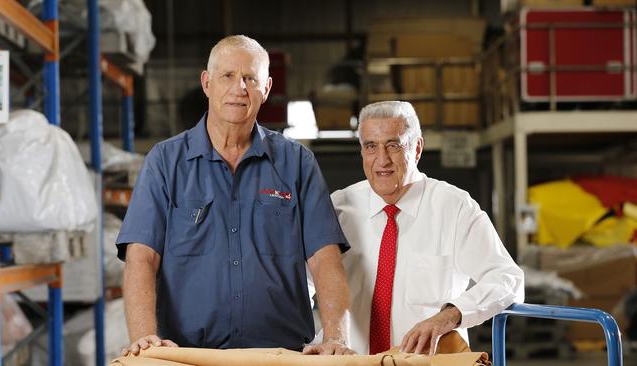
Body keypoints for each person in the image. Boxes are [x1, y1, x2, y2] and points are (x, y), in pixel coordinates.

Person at [117, 35, 354, 356]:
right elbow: (141, 258)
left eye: (250, 78)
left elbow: (325, 259)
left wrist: (336, 337)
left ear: (266, 88)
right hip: (189, 355)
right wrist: (145, 336)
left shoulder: (296, 162)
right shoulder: (165, 162)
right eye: (228, 76)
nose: (239, 88)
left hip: (279, 355)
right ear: (207, 83)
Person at [331, 101, 525, 355]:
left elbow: (507, 278)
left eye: (393, 145)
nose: (382, 160)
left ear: (417, 148)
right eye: (371, 147)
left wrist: (449, 315)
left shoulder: (455, 208)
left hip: (427, 362)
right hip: (354, 361)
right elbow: (305, 279)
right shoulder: (339, 208)